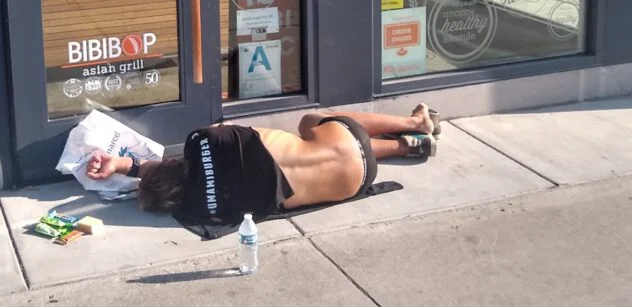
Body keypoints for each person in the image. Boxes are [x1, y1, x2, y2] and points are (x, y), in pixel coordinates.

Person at [86, 104, 440, 221]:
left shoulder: (201, 211)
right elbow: (170, 165)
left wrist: (125, 170)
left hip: (355, 182)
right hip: (345, 141)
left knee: (334, 153)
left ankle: (405, 147)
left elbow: (179, 181)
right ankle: (414, 124)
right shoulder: (208, 140)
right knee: (309, 124)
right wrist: (121, 164)